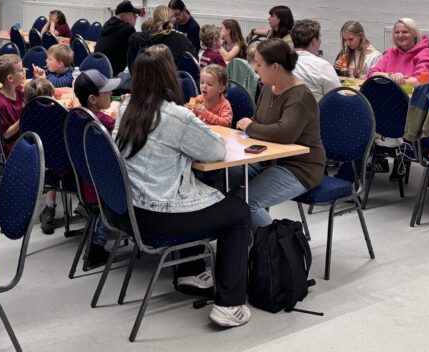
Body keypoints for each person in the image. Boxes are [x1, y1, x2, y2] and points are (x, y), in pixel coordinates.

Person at [115, 45, 252, 328]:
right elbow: (216, 151)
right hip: (158, 215)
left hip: (126, 210)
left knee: (195, 191)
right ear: (170, 76)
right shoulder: (176, 116)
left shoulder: (125, 107)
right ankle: (229, 305)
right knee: (238, 212)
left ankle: (192, 272)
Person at [230, 38, 325, 229]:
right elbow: (259, 121)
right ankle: (241, 239)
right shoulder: (268, 87)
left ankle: (274, 244)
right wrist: (251, 126)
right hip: (268, 159)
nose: (255, 69)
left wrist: (250, 127)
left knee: (247, 203)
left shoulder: (300, 96)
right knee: (226, 177)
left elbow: (284, 133)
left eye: (259, 65)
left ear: (275, 67)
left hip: (300, 167)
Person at [72, 68, 121, 267]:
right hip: (103, 187)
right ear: (92, 99)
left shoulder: (76, 116)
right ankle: (97, 245)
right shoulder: (102, 123)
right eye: (106, 92)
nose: (111, 93)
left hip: (84, 181)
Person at [367, 18, 429, 85]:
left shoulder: (426, 54)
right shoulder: (391, 52)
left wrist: (397, 80)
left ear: (415, 34)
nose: (400, 35)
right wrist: (390, 76)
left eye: (405, 32)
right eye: (397, 32)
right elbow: (372, 74)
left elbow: (420, 82)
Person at [289, 19, 340, 103]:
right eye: (319, 38)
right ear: (314, 41)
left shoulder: (280, 63)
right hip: (314, 110)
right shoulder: (322, 66)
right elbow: (338, 97)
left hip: (285, 110)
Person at [128, 6, 195, 63]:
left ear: (154, 20)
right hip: (171, 74)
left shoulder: (138, 38)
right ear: (172, 19)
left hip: (144, 73)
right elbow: (193, 62)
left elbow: (131, 60)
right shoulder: (181, 40)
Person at [95, 0, 141, 75]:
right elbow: (137, 50)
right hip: (113, 72)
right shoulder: (128, 29)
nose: (136, 17)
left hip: (97, 68)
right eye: (133, 15)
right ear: (123, 15)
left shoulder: (107, 24)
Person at [0, 54, 25, 154]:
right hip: (13, 144)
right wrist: (24, 117)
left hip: (24, 135)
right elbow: (6, 135)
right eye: (21, 70)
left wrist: (39, 78)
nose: (24, 72)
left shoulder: (18, 89)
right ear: (10, 78)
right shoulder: (0, 103)